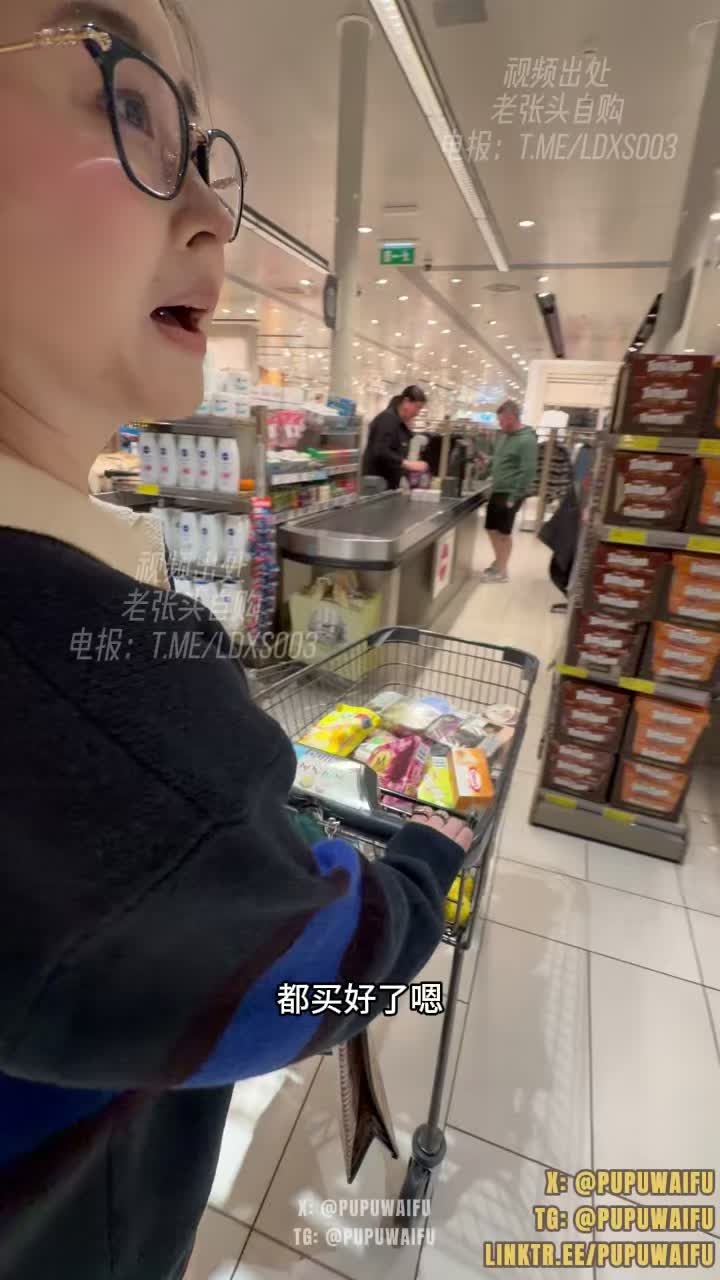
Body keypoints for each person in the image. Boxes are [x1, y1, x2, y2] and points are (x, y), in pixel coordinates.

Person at [0, 4, 472, 1277]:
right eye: (130, 103)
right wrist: (426, 861)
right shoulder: (72, 664)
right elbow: (316, 974)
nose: (214, 209)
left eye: (207, 153)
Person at [480, 400, 538, 584]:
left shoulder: (527, 440)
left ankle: (502, 571)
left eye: (502, 420)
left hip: (510, 492)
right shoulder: (504, 436)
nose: (500, 424)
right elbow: (500, 459)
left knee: (503, 532)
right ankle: (499, 562)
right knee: (491, 528)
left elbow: (528, 470)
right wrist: (488, 465)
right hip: (498, 489)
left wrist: (515, 496)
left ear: (512, 417)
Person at [362, 385, 430, 490]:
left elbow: (398, 450)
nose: (417, 413)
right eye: (417, 407)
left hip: (387, 484)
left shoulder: (400, 422)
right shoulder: (387, 419)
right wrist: (408, 464)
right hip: (376, 485)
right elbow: (380, 450)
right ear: (406, 402)